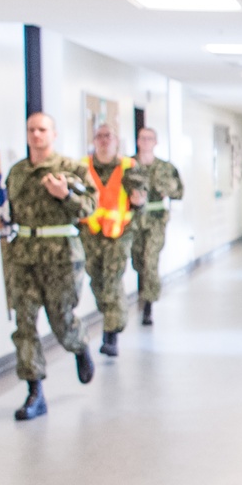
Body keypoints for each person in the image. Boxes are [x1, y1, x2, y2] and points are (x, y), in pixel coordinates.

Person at [0, 112, 95, 421]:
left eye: (42, 130)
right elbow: (11, 210)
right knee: (24, 325)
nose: (36, 135)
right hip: (23, 255)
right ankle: (34, 392)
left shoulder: (71, 170)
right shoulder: (17, 172)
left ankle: (78, 346)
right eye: (31, 130)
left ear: (53, 134)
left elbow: (90, 207)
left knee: (60, 320)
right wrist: (2, 221)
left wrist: (64, 194)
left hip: (61, 257)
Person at [78, 122, 146, 358]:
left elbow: (140, 194)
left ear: (117, 141)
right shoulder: (82, 166)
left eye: (109, 136)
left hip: (119, 233)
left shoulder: (129, 166)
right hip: (91, 233)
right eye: (99, 136)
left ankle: (111, 334)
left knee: (112, 278)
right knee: (97, 280)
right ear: (94, 140)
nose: (104, 140)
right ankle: (111, 317)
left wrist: (139, 201)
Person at [127, 126, 183, 326]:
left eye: (150, 138)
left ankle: (148, 306)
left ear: (156, 142)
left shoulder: (166, 168)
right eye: (142, 138)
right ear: (138, 141)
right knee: (138, 262)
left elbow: (179, 192)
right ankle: (145, 293)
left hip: (156, 220)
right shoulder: (128, 165)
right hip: (133, 221)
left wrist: (167, 191)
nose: (146, 142)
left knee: (150, 260)